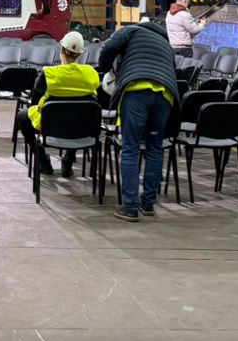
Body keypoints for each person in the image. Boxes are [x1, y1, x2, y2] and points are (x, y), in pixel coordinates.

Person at [97, 16, 178, 221]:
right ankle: (148, 204)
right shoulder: (165, 42)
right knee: (155, 148)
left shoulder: (132, 30)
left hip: (137, 90)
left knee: (131, 148)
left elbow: (109, 47)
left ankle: (130, 207)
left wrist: (105, 68)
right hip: (165, 95)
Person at [25, 31, 99, 178]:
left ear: (62, 50)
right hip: (81, 128)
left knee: (23, 117)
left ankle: (43, 161)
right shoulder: (91, 73)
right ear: (80, 54)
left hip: (50, 126)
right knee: (77, 114)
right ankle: (69, 159)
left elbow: (35, 99)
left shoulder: (48, 74)